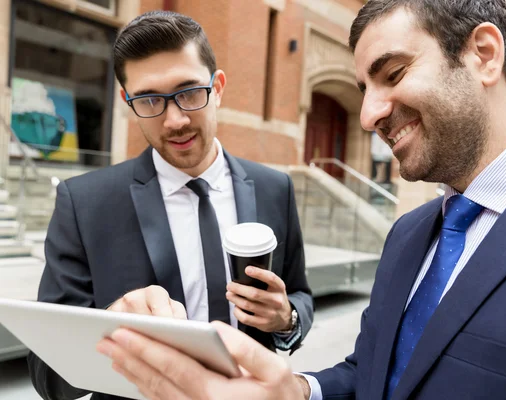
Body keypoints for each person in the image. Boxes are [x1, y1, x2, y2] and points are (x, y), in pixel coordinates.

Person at [98, 0, 506, 399]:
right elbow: (373, 373)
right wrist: (297, 392)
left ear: (484, 54)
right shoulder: (408, 235)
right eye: (363, 87)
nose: (368, 115)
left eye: (394, 74)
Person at [28, 10, 314, 400]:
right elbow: (46, 375)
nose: (175, 120)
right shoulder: (84, 203)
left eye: (190, 92)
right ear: (128, 101)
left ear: (219, 87)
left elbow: (299, 294)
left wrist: (287, 318)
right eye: (149, 100)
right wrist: (106, 327)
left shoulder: (274, 187)